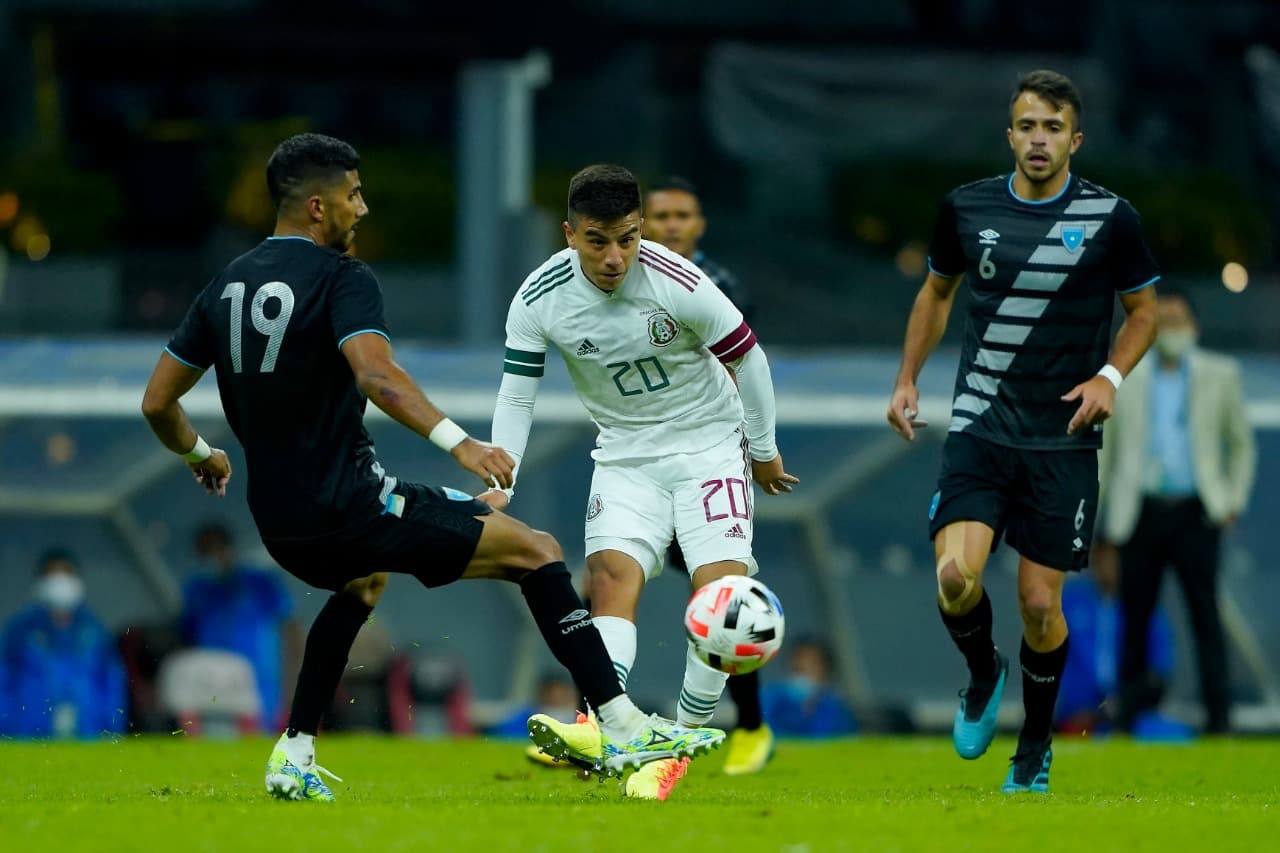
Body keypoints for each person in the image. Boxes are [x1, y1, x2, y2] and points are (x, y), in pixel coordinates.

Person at [140, 133, 724, 803]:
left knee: (361, 586)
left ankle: (293, 751)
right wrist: (462, 445)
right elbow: (378, 377)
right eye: (353, 195)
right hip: (353, 507)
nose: (363, 207)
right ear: (316, 207)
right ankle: (623, 724)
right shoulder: (342, 278)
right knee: (538, 551)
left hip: (279, 524)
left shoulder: (226, 284)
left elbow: (157, 401)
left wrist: (199, 454)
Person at [886, 70, 1159, 793]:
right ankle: (983, 674)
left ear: (1076, 138)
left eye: (1052, 128)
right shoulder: (967, 207)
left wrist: (1110, 379)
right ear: (1010, 134)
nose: (1039, 140)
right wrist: (908, 377)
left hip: (1063, 438)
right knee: (955, 578)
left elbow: (1146, 313)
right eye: (1027, 126)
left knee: (1040, 604)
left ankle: (1034, 744)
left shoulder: (1111, 217)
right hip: (981, 424)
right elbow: (936, 291)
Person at [490, 163, 798, 801]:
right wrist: (503, 477)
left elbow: (751, 358)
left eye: (627, 238)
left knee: (723, 602)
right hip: (626, 455)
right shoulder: (538, 297)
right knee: (608, 579)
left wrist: (763, 451)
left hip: (709, 446)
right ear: (570, 233)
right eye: (599, 240)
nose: (615, 256)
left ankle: (677, 746)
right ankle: (609, 724)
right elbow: (517, 395)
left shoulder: (678, 280)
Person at [643, 175, 772, 776]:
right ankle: (594, 719)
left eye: (683, 215)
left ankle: (748, 725)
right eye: (661, 215)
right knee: (609, 581)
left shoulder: (718, 287)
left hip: (708, 462)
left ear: (699, 225)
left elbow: (741, 370)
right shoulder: (621, 281)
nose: (671, 225)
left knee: (721, 599)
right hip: (644, 461)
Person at [1100, 288, 1257, 734]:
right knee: (1135, 616)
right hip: (1141, 511)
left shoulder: (1220, 373)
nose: (1171, 331)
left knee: (1205, 615)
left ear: (1195, 326)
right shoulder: (1125, 377)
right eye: (1162, 322)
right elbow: (1106, 453)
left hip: (1196, 511)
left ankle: (1219, 718)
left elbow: (1240, 445)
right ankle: (1127, 717)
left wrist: (1231, 501)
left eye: (1177, 321)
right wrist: (1102, 521)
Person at [181, 521, 300, 731]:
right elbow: (188, 631)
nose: (209, 558)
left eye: (213, 549)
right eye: (203, 552)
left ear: (227, 548)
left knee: (261, 726)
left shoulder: (259, 581)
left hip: (259, 671)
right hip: (212, 675)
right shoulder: (197, 588)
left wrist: (292, 684)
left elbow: (289, 627)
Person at [0, 550, 127, 738]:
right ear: (40, 581)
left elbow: (112, 682)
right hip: (27, 734)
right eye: (52, 574)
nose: (59, 581)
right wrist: (7, 729)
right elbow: (4, 680)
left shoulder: (94, 629)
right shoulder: (20, 630)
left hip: (88, 732)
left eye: (66, 573)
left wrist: (112, 730)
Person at [1056, 541, 1178, 736]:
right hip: (1075, 715)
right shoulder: (1070, 601)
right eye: (1104, 558)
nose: (1110, 566)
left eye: (1116, 558)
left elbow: (1160, 670)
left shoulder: (1144, 608)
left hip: (1131, 715)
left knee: (1171, 736)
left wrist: (1127, 700)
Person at [759, 638, 857, 737]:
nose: (804, 677)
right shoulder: (771, 698)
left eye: (812, 667)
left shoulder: (835, 707)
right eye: (799, 669)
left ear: (826, 670)